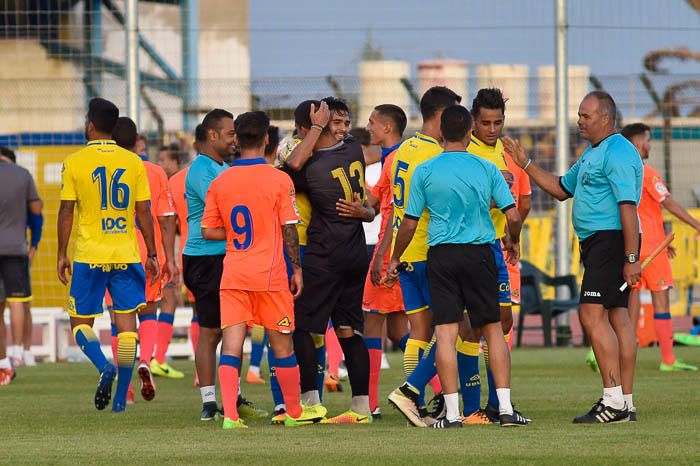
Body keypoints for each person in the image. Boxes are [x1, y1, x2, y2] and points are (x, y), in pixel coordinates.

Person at [503, 90, 643, 424]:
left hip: (610, 243)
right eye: (580, 115)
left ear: (605, 118)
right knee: (617, 318)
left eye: (586, 116)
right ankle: (625, 401)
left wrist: (631, 256)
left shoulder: (619, 151)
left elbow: (627, 206)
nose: (580, 121)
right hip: (598, 244)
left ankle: (613, 401)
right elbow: (562, 189)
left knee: (591, 316)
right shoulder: (592, 152)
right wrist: (525, 164)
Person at [386, 104, 527, 428]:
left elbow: (408, 224)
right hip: (479, 253)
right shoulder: (485, 167)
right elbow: (514, 215)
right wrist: (513, 240)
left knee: (446, 334)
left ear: (441, 132)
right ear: (468, 132)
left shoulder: (426, 170)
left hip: (442, 256)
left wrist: (395, 258)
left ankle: (451, 415)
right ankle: (504, 409)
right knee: (492, 331)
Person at [201, 110, 322, 429]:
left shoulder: (221, 181)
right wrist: (296, 269)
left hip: (234, 275)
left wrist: (241, 234)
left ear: (237, 140)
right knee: (282, 345)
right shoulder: (279, 179)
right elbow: (290, 229)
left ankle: (229, 416)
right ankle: (294, 413)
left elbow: (208, 231)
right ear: (267, 139)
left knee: (231, 345)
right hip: (270, 277)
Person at [57, 97, 159, 412]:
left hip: (89, 253)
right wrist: (152, 253)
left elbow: (66, 211)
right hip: (126, 252)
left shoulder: (74, 162)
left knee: (80, 322)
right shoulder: (132, 163)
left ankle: (104, 366)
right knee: (127, 327)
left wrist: (62, 253)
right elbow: (144, 211)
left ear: (90, 125)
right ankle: (119, 401)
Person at [284, 97, 377, 424]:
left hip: (325, 255)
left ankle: (309, 404)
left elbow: (292, 164)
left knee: (302, 327)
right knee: (349, 330)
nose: (342, 130)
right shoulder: (352, 148)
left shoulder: (311, 165)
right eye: (335, 123)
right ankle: (362, 408)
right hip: (355, 252)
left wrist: (318, 126)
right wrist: (367, 211)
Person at [182, 109, 266, 421]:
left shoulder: (222, 167)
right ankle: (208, 403)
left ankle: (235, 396)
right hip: (206, 258)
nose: (235, 139)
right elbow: (228, 207)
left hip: (227, 256)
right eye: (230, 134)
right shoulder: (202, 171)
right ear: (213, 135)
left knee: (236, 329)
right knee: (211, 331)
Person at [385, 86, 462, 426]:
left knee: (419, 331)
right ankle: (412, 391)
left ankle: (418, 401)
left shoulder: (403, 150)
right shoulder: (433, 156)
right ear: (441, 117)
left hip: (404, 253)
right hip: (429, 251)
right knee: (450, 329)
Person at [467, 88, 529, 423]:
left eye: (498, 122)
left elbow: (524, 201)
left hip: (498, 247)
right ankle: (463, 402)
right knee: (467, 328)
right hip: (471, 247)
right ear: (473, 121)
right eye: (486, 123)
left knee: (502, 322)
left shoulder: (510, 153)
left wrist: (512, 237)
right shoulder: (466, 151)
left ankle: (495, 403)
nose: (492, 129)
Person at [621, 122, 698, 372]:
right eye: (648, 139)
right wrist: (697, 224)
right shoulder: (648, 172)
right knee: (661, 301)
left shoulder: (622, 173)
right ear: (637, 142)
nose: (650, 144)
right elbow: (669, 203)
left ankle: (625, 354)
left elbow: (642, 211)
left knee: (630, 301)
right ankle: (668, 359)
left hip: (632, 246)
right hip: (653, 248)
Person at [111, 119, 181, 392]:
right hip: (148, 251)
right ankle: (145, 360)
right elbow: (166, 219)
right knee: (149, 310)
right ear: (137, 140)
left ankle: (125, 385)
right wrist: (169, 259)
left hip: (114, 249)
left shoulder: (107, 170)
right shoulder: (155, 172)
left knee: (119, 318)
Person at [362, 104, 410, 418]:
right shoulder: (393, 157)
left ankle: (369, 404)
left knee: (370, 325)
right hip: (405, 252)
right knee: (397, 331)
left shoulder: (395, 158)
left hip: (389, 252)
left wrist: (384, 256)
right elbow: (374, 203)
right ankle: (440, 389)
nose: (368, 126)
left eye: (373, 122)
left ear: (388, 127)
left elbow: (396, 214)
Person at [0, 147, 42, 384]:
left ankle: (2, 361)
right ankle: (18, 351)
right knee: (18, 301)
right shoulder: (22, 174)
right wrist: (34, 242)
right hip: (16, 248)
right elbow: (37, 212)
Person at [168, 126, 204, 386]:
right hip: (221, 251)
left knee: (198, 313)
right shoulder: (222, 174)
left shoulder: (176, 180)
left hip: (189, 253)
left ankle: (199, 369)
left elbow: (175, 225)